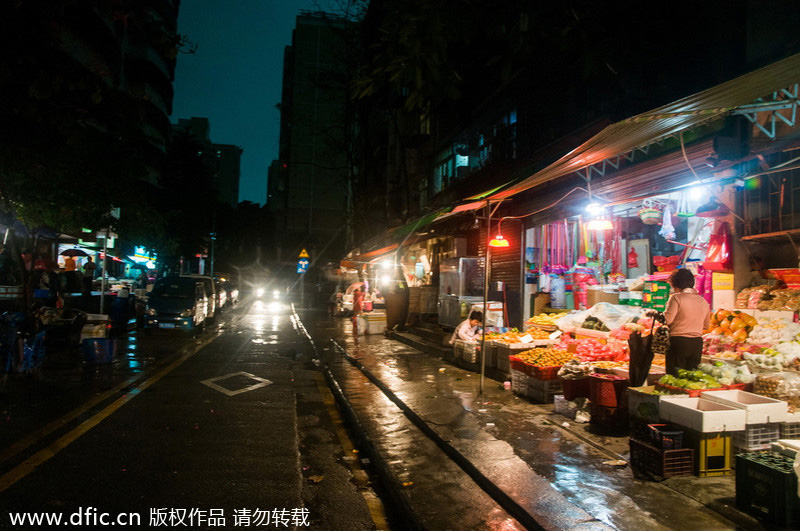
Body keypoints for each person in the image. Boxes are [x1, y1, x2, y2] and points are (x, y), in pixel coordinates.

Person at [663, 268, 711, 376]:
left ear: (675, 283)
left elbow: (667, 320)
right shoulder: (703, 301)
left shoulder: (676, 298)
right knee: (690, 378)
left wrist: (656, 314)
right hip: (696, 344)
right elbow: (706, 325)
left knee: (675, 379)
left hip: (678, 342)